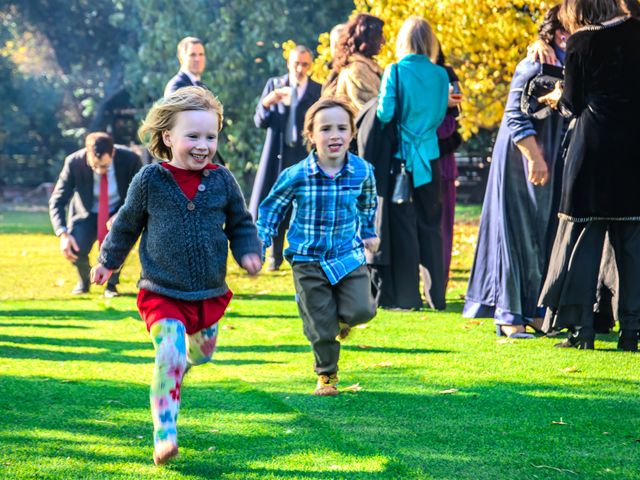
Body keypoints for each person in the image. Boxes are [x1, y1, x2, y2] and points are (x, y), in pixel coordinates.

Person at [91, 87, 262, 464]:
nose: (203, 145)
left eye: (210, 136)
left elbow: (240, 222)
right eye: (193, 136)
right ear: (168, 137)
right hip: (161, 291)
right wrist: (108, 261)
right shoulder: (150, 181)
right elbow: (126, 226)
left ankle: (179, 362)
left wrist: (249, 250)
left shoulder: (222, 180)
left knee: (200, 355)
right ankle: (164, 433)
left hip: (208, 293)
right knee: (170, 351)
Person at [256, 96, 378, 396]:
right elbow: (271, 209)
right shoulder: (296, 175)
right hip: (307, 257)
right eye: (325, 129)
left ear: (351, 133)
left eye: (341, 128)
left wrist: (368, 231)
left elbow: (367, 204)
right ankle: (327, 375)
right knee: (321, 326)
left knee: (363, 310)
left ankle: (330, 316)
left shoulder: (363, 171)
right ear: (311, 134)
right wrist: (261, 242)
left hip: (347, 255)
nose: (334, 135)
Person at [538, 0, 640, 350]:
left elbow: (572, 104)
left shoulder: (582, 41)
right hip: (633, 152)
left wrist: (554, 97)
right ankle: (631, 332)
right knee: (633, 246)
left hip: (592, 150)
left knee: (582, 240)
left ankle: (582, 330)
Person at [463, 6, 570, 337]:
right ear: (556, 33)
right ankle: (509, 316)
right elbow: (514, 115)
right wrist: (535, 158)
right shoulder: (533, 63)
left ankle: (536, 312)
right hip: (521, 157)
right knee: (515, 232)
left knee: (541, 234)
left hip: (550, 153)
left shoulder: (567, 62)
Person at [374, 16, 450, 310]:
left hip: (402, 160)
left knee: (405, 228)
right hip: (430, 158)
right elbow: (441, 115)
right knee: (431, 226)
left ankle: (408, 296)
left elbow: (384, 113)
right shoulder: (441, 75)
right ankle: (436, 296)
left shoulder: (394, 71)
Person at [249, 45, 322, 271]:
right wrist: (267, 103)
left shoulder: (316, 90)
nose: (300, 68)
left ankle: (303, 254)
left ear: (311, 66)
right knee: (275, 202)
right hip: (277, 152)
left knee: (304, 205)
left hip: (303, 154)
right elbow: (259, 121)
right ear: (288, 64)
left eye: (305, 64)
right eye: (296, 63)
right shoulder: (275, 85)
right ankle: (274, 255)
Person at [49, 132, 142, 297]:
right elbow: (57, 200)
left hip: (117, 210)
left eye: (105, 166)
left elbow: (139, 194)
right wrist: (62, 233)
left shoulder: (130, 160)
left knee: (118, 246)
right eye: (94, 166)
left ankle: (111, 286)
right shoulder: (74, 162)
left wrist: (123, 214)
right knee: (76, 247)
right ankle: (84, 283)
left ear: (113, 153)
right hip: (87, 212)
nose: (100, 171)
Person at [436, 51, 464, 288]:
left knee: (444, 225)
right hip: (425, 159)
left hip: (443, 162)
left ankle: (439, 282)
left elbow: (455, 114)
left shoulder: (446, 74)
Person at [332, 13, 385, 112]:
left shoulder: (365, 67)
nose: (383, 41)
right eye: (380, 35)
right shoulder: (357, 70)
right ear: (368, 38)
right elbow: (372, 113)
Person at [321, 23, 347, 96]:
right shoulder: (328, 70)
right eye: (333, 43)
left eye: (340, 43)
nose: (336, 48)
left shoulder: (352, 70)